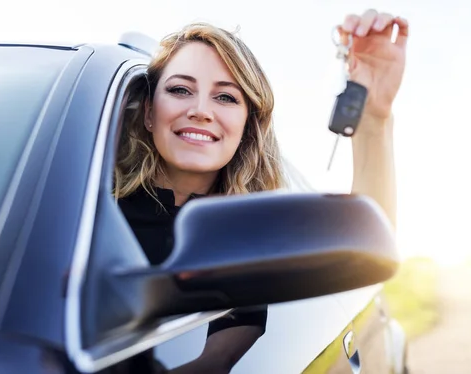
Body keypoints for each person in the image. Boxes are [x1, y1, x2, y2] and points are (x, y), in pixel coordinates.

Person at [113, 8, 408, 374]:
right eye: (179, 90)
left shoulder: (255, 232)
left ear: (247, 125)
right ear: (148, 113)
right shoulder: (87, 212)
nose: (201, 110)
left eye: (226, 98)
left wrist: (374, 118)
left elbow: (367, 241)